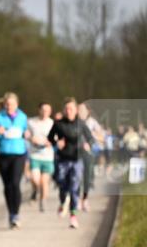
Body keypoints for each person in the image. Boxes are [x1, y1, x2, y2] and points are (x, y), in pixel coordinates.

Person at [49, 98, 93, 229]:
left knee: (74, 187)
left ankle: (73, 216)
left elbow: (90, 138)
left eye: (71, 109)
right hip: (62, 159)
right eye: (66, 109)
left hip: (77, 159)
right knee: (62, 184)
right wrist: (56, 143)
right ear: (64, 110)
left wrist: (87, 144)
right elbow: (50, 137)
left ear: (75, 110)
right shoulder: (58, 124)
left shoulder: (81, 123)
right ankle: (63, 202)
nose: (69, 111)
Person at [0, 92, 29, 229]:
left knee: (15, 183)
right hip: (4, 154)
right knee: (7, 186)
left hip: (19, 154)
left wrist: (26, 134)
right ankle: (11, 212)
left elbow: (26, 132)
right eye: (6, 104)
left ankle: (16, 214)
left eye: (11, 104)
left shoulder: (22, 117)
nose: (9, 106)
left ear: (16, 104)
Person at [27, 102, 55, 213]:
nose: (45, 112)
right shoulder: (31, 122)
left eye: (47, 110)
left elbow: (57, 138)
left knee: (44, 182)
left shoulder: (52, 123)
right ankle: (35, 190)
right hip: (35, 155)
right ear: (39, 110)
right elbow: (26, 134)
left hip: (48, 157)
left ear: (50, 112)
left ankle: (43, 201)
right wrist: (31, 139)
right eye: (43, 110)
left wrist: (51, 142)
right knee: (35, 179)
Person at [77, 102, 101, 212]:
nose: (80, 111)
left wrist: (91, 140)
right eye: (79, 109)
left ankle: (85, 199)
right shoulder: (74, 122)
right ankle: (76, 199)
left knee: (86, 177)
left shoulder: (92, 122)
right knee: (76, 176)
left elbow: (101, 135)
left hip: (88, 152)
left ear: (88, 111)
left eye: (82, 110)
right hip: (75, 152)